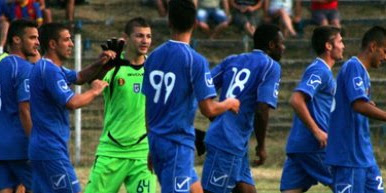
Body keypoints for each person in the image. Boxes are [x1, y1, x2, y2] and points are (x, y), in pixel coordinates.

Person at [142, 0, 240, 192]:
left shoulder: (153, 57)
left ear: (169, 22)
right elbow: (208, 109)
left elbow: (148, 106)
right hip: (177, 144)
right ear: (195, 23)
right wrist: (229, 103)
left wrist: (152, 146)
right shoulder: (195, 61)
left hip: (157, 140)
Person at [28, 22, 116, 193]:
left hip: (45, 148)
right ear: (53, 44)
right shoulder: (49, 70)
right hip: (50, 149)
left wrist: (100, 63)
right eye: (67, 40)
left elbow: (79, 77)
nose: (72, 44)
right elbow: (73, 102)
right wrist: (95, 90)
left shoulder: (53, 68)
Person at [201, 23, 284, 193]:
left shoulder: (233, 59)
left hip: (235, 143)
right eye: (281, 44)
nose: (283, 48)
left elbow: (204, 85)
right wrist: (261, 146)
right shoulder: (271, 66)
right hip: (227, 142)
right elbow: (262, 110)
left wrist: (213, 112)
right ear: (271, 45)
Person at [84, 17, 156, 193]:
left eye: (148, 36)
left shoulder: (154, 68)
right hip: (111, 150)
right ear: (125, 38)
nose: (145, 40)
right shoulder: (114, 67)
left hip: (142, 152)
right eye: (139, 36)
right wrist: (103, 65)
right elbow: (92, 82)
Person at [280, 26, 344, 193]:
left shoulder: (323, 71)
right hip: (314, 146)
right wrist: (317, 131)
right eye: (340, 41)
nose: (343, 46)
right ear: (328, 46)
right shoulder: (319, 70)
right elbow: (296, 99)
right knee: (347, 185)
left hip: (299, 146)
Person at [325, 26, 386, 193]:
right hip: (349, 155)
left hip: (364, 155)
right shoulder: (353, 66)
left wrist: (368, 103)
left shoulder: (363, 73)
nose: (385, 57)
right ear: (373, 46)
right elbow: (358, 104)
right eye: (384, 50)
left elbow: (358, 102)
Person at [0, 19, 39, 193]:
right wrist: (35, 142)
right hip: (21, 145)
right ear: (16, 40)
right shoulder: (25, 69)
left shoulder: (3, 65)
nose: (37, 42)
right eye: (32, 38)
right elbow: (25, 109)